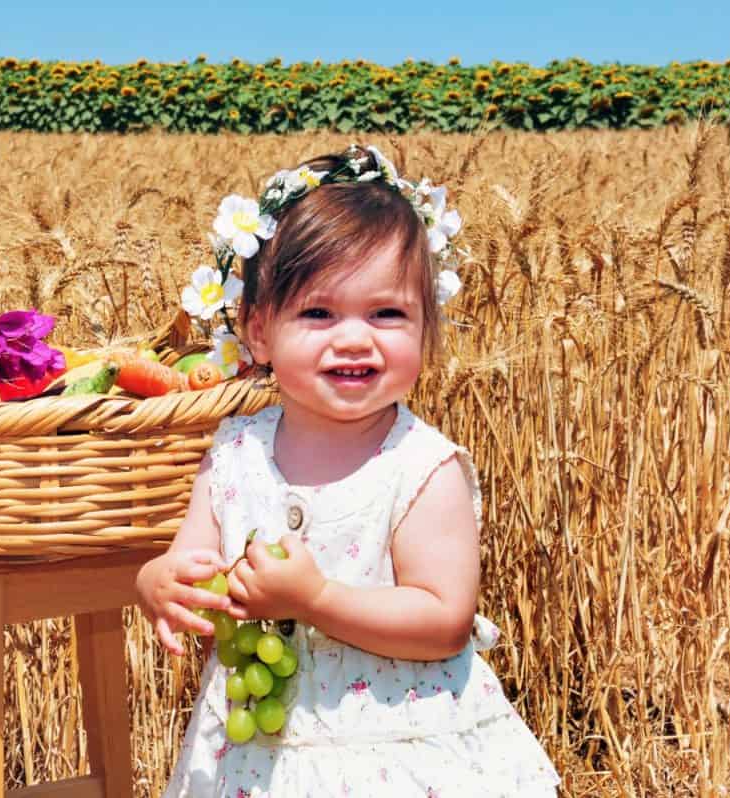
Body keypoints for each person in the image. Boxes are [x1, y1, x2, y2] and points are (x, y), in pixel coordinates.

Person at [135, 144, 561, 796]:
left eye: (387, 313)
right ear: (258, 333)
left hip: (395, 749)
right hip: (261, 755)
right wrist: (160, 582)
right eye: (318, 313)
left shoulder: (423, 468)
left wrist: (317, 601)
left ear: (427, 325)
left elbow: (443, 620)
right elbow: (192, 559)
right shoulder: (236, 453)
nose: (355, 338)